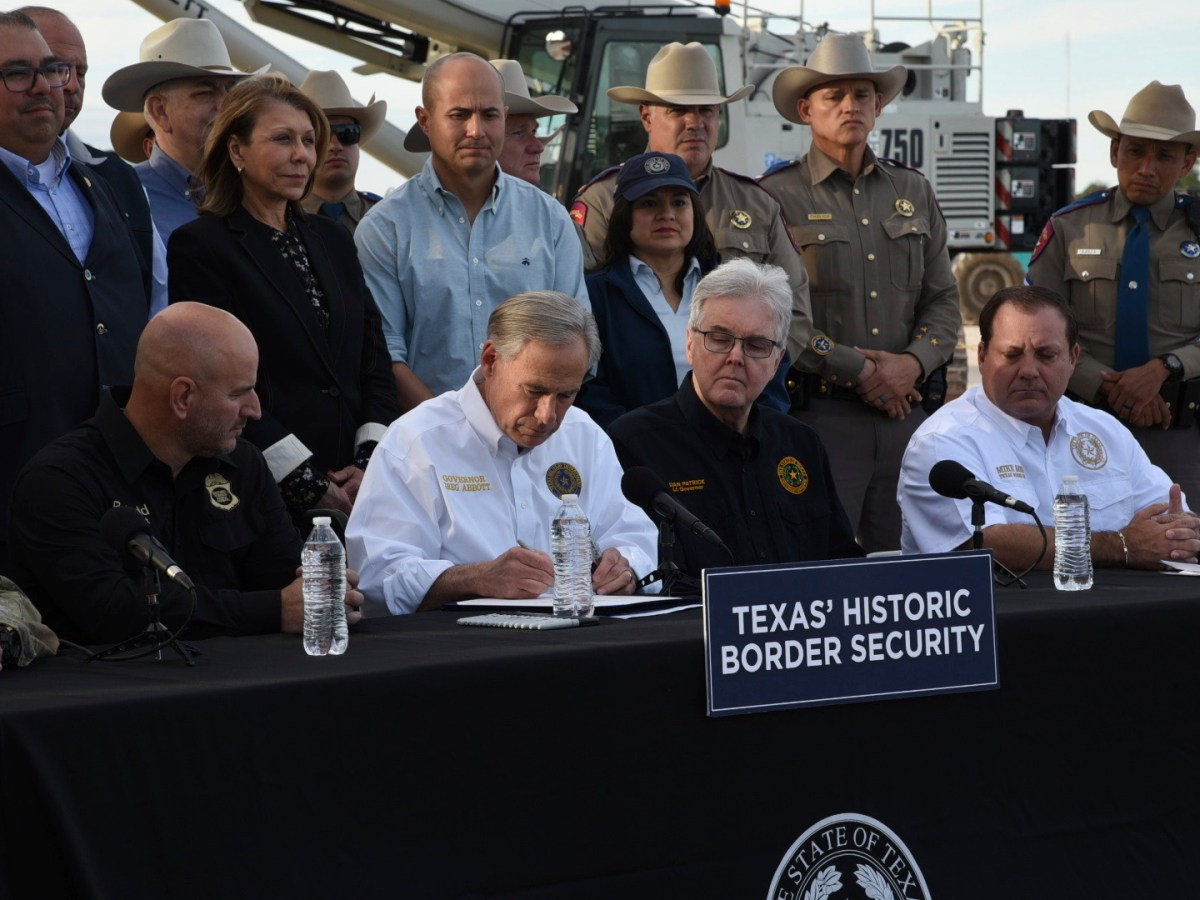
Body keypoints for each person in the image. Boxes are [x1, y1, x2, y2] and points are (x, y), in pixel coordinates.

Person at [8, 302, 366, 645]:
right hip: (107, 699)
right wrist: (272, 610)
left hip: (246, 685)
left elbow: (289, 580)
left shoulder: (244, 464)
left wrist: (325, 591)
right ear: (182, 397)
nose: (255, 410)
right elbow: (113, 612)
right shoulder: (61, 480)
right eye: (240, 393)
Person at [758, 33, 960, 552]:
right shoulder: (773, 196)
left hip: (906, 418)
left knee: (912, 573)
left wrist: (911, 365)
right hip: (820, 419)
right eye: (834, 96)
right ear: (806, 109)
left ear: (879, 105)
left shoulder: (912, 190)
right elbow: (775, 315)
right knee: (818, 574)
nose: (850, 106)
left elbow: (942, 302)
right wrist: (862, 371)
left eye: (862, 94)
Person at [168, 74, 398, 521]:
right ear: (237, 151)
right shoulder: (201, 245)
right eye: (282, 139)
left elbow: (373, 358)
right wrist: (304, 480)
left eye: (309, 140)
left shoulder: (334, 239)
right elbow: (217, 382)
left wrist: (371, 461)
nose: (302, 155)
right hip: (257, 493)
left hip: (359, 493)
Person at [346, 292, 657, 615]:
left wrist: (625, 568)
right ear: (491, 361)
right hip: (460, 647)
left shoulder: (584, 434)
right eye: (534, 390)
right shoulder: (417, 440)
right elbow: (376, 579)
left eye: (566, 395)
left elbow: (635, 538)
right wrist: (476, 578)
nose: (547, 415)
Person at [899, 285, 1200, 572]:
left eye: (1046, 355)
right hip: (1005, 618)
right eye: (1012, 354)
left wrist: (1178, 535)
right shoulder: (942, 441)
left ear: (1073, 359)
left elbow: (1175, 520)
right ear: (982, 356)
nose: (1029, 371)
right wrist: (1121, 546)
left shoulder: (1105, 430)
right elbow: (983, 544)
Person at [355, 52, 588, 414]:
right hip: (430, 446)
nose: (476, 130)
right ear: (425, 120)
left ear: (504, 116)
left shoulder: (552, 222)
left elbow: (578, 341)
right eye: (459, 115)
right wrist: (454, 429)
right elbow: (384, 355)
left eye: (489, 115)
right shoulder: (386, 228)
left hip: (535, 436)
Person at [0, 11, 148, 574]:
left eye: (52, 69)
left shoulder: (101, 183)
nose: (45, 86)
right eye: (17, 73)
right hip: (15, 483)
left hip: (114, 484)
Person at [610, 260, 861, 577]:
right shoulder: (634, 445)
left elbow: (842, 561)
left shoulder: (800, 443)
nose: (735, 357)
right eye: (719, 338)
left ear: (777, 361)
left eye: (756, 345)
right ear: (690, 344)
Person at [570, 41, 811, 353]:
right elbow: (580, 313)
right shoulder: (603, 200)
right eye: (679, 110)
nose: (696, 123)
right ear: (646, 116)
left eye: (706, 110)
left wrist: (751, 378)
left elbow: (796, 313)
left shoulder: (756, 203)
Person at [1026, 81, 1200, 502]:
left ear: (1188, 161)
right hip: (1082, 427)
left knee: (1183, 548)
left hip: (1179, 432)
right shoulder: (1070, 227)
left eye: (1164, 155)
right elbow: (1034, 326)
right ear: (1114, 151)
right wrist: (1108, 387)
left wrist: (1164, 369)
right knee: (1084, 542)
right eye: (1135, 151)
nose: (1146, 168)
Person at [19, 5, 161, 313]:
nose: (70, 85)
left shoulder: (120, 178)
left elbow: (155, 299)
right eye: (55, 68)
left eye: (80, 72)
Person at [576, 151, 719, 427]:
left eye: (679, 202)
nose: (666, 214)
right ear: (624, 216)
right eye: (649, 203)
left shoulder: (730, 286)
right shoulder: (595, 296)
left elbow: (768, 372)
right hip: (634, 458)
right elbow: (589, 390)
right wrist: (645, 442)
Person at [102, 18, 264, 241]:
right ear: (160, 111)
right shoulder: (123, 198)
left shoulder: (251, 189)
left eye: (230, 89)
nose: (226, 104)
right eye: (206, 92)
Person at [403, 58, 577, 187]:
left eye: (534, 132)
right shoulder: (395, 219)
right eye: (518, 133)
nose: (538, 147)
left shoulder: (552, 219)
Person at [297, 69, 387, 234]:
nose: (335, 146)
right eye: (321, 136)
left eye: (348, 133)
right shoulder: (278, 218)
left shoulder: (388, 217)